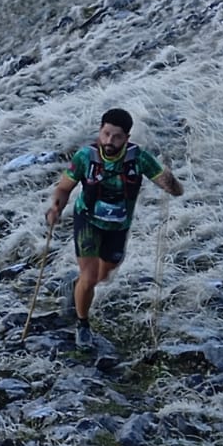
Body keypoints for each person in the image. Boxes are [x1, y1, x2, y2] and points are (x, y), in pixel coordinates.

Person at [46, 109, 183, 349]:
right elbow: (64, 188)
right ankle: (82, 324)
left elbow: (174, 189)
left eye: (116, 136)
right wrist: (56, 207)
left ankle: (75, 287)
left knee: (103, 275)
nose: (109, 141)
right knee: (89, 277)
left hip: (118, 226)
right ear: (100, 131)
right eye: (106, 134)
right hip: (87, 220)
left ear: (127, 138)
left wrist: (171, 182)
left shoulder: (138, 158)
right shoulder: (85, 157)